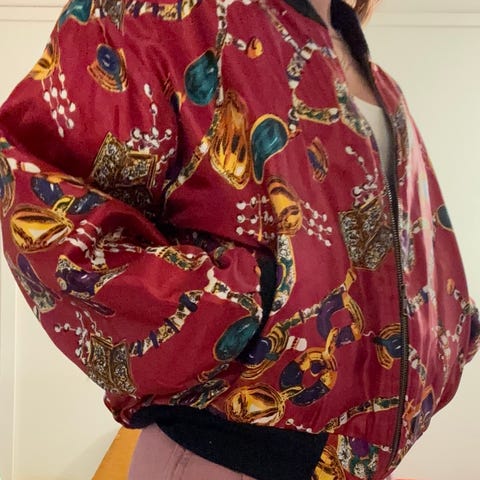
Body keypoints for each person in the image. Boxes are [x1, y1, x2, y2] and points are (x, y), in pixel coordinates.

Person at [0, 0, 478, 479]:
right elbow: (43, 201)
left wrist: (449, 332)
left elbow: (410, 242)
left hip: (351, 461)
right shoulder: (164, 14)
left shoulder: (377, 80)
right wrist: (239, 304)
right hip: (223, 455)